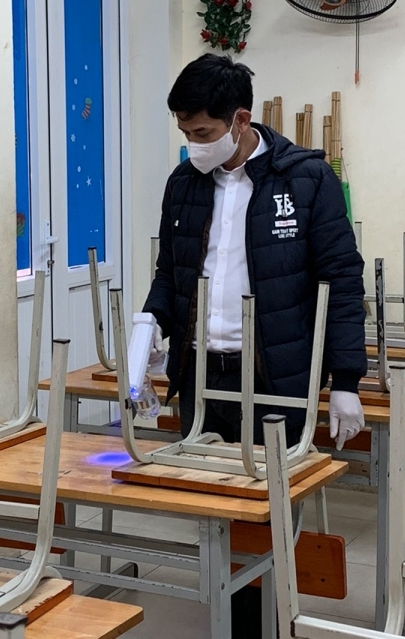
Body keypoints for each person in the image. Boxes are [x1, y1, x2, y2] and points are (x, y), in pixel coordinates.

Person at [144, 54, 368, 637]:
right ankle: (233, 622)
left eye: (203, 133)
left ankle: (266, 623)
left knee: (266, 519)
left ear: (241, 120)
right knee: (215, 516)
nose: (193, 145)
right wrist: (148, 331)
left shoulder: (308, 180)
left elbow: (342, 278)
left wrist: (344, 379)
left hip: (274, 377)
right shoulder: (184, 183)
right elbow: (171, 273)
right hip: (203, 375)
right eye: (184, 133)